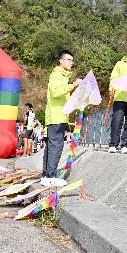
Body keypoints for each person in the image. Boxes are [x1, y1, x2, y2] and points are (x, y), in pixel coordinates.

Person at [42, 50, 82, 187]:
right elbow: (56, 92)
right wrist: (73, 85)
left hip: (59, 115)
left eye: (72, 60)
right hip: (56, 116)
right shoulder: (57, 74)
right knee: (56, 146)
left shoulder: (63, 76)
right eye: (69, 60)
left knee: (52, 146)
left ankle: (47, 175)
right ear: (61, 61)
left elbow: (64, 97)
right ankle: (50, 176)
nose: (71, 62)